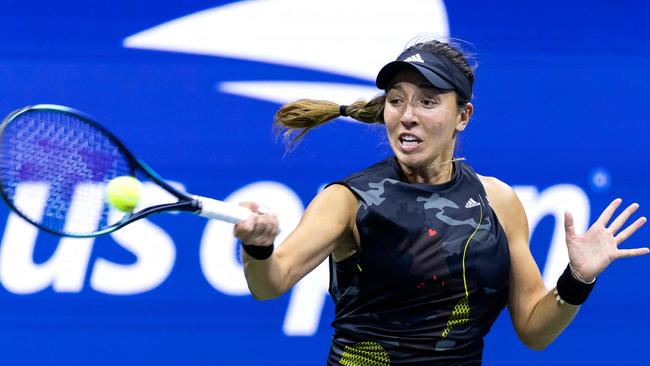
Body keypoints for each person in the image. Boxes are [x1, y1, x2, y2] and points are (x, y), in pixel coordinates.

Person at [233, 39, 648, 365]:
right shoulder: (347, 200)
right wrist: (258, 247)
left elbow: (533, 329)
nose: (407, 115)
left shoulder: (498, 201)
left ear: (462, 116)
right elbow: (271, 282)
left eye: (427, 101)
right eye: (396, 100)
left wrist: (578, 279)